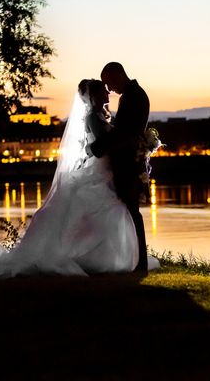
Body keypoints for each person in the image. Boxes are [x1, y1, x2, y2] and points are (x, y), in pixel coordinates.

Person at [0, 79, 158, 279]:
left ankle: (111, 257)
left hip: (106, 171)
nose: (108, 92)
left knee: (111, 212)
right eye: (103, 90)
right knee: (107, 211)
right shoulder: (93, 118)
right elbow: (101, 146)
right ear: (94, 96)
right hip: (100, 171)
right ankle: (102, 257)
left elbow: (106, 142)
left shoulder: (101, 115)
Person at [88, 62, 150, 272]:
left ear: (118, 75)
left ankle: (140, 261)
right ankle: (134, 258)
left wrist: (96, 147)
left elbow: (124, 132)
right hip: (127, 160)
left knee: (132, 212)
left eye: (109, 82)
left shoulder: (134, 96)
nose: (109, 89)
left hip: (129, 162)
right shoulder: (131, 95)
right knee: (130, 211)